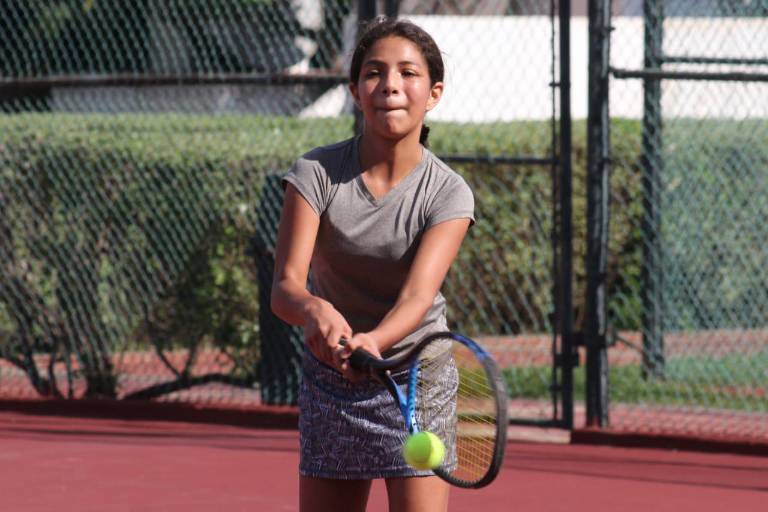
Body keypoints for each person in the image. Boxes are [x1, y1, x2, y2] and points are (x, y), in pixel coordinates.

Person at [271, 17, 474, 512]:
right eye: (374, 73)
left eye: (408, 73)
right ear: (355, 91)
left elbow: (417, 297)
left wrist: (373, 342)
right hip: (333, 380)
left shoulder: (448, 193)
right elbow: (285, 287)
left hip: (417, 382)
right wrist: (315, 309)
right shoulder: (315, 173)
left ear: (434, 93)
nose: (390, 85)